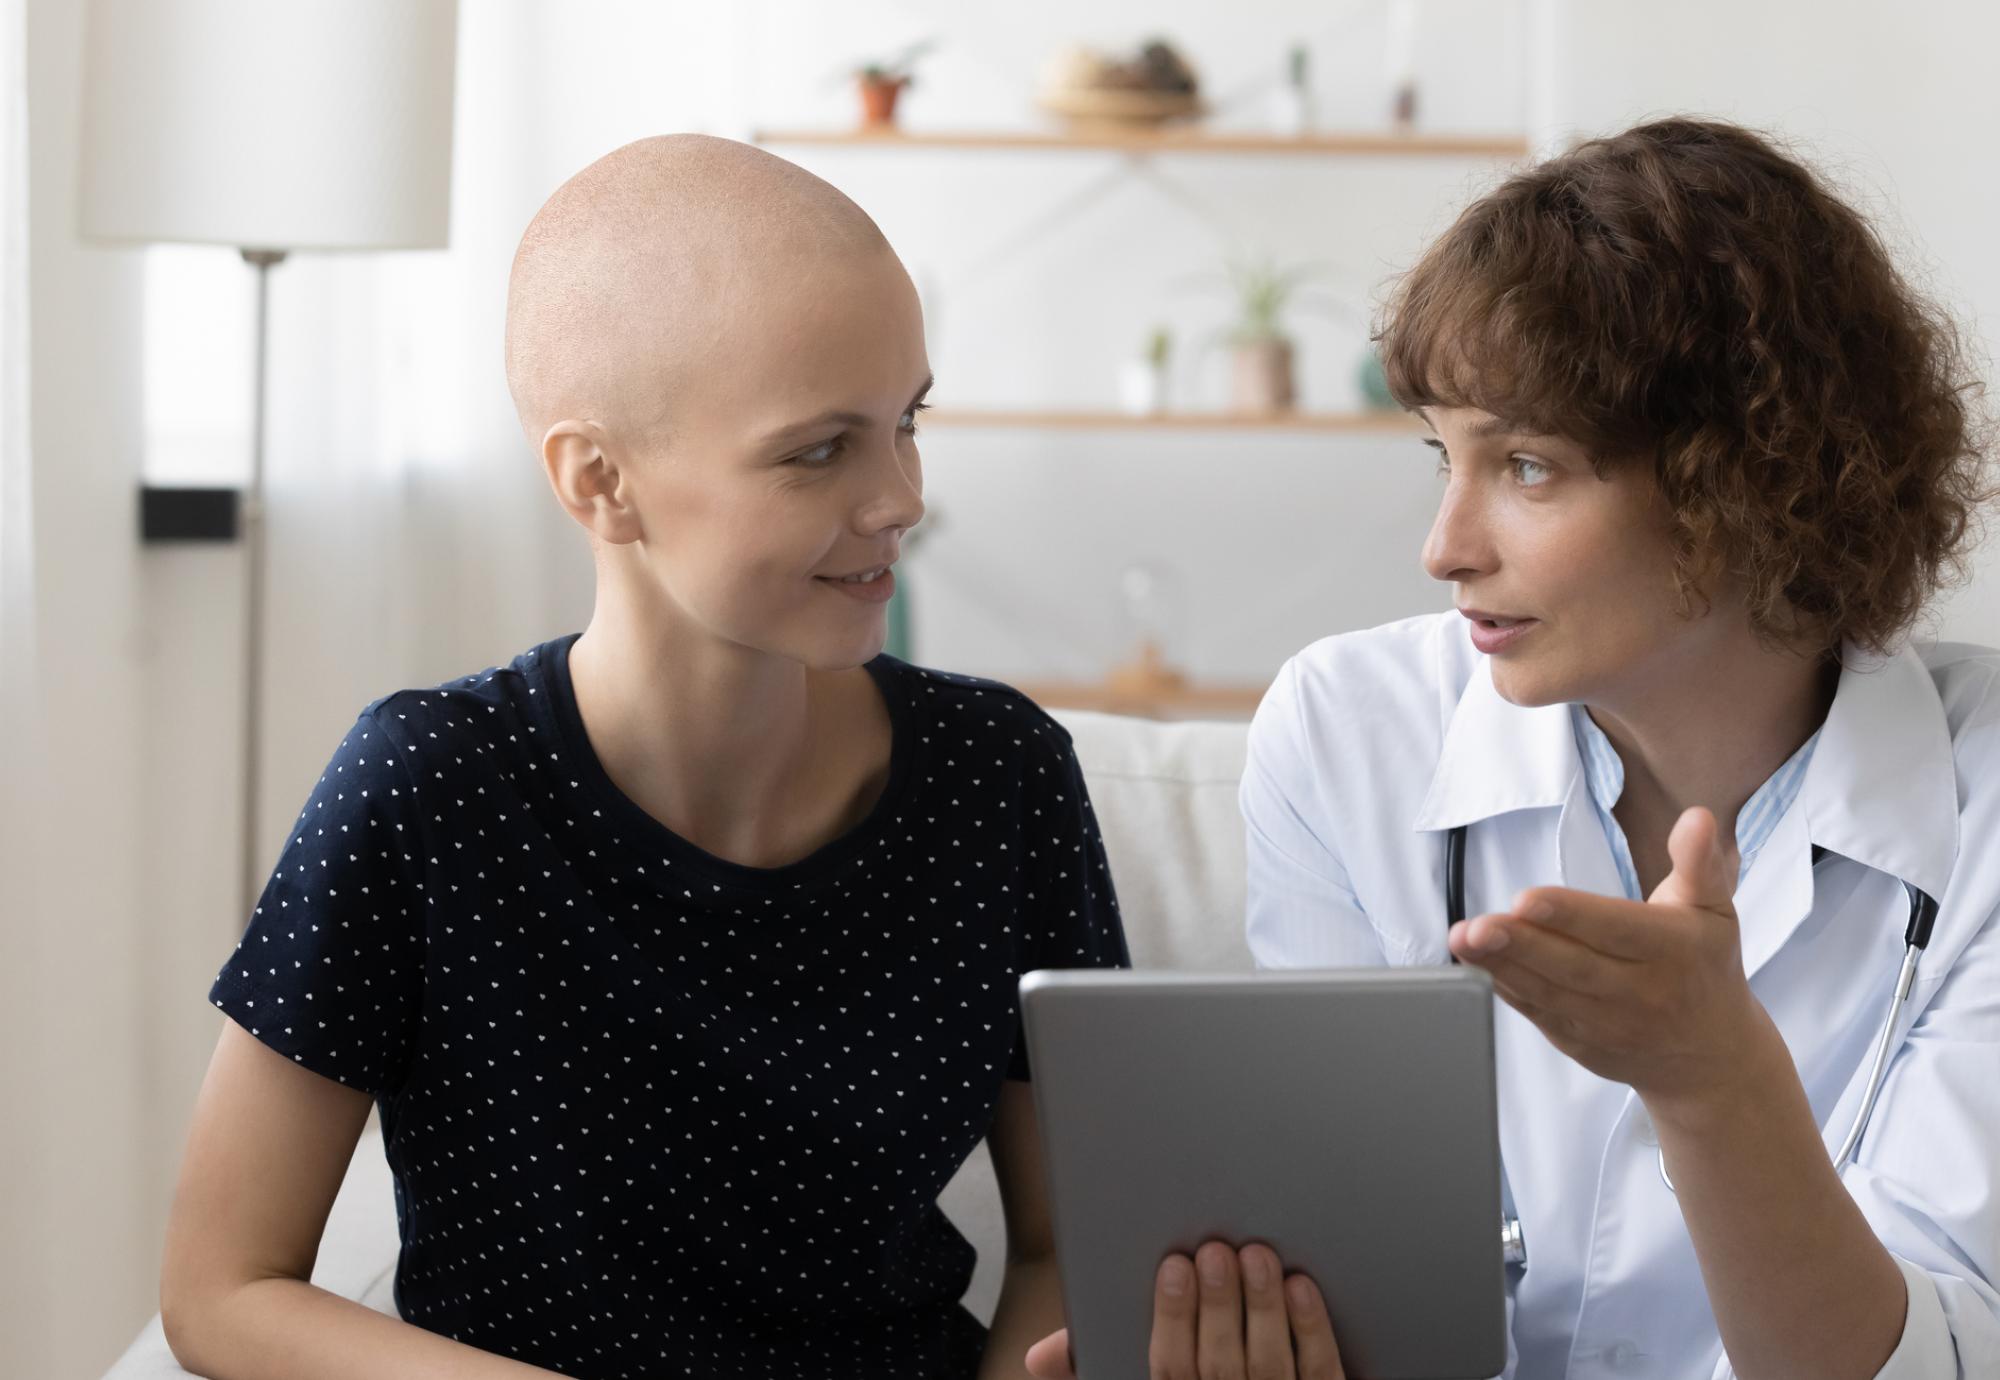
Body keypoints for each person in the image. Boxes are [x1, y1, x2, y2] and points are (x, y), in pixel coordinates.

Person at [1029, 117, 1998, 1379]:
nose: (1443, 547)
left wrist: (1713, 1086)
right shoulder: (1347, 731)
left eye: (1527, 466)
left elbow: (1937, 1358)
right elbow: (1348, 1272)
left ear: (1752, 478)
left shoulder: (1981, 798)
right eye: (1445, 454)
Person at [160, 134, 1127, 1380]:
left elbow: (1066, 1243)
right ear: (600, 481)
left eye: (907, 421)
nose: (900, 497)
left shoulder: (1001, 776)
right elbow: (220, 1290)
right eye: (818, 448)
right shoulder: (426, 787)